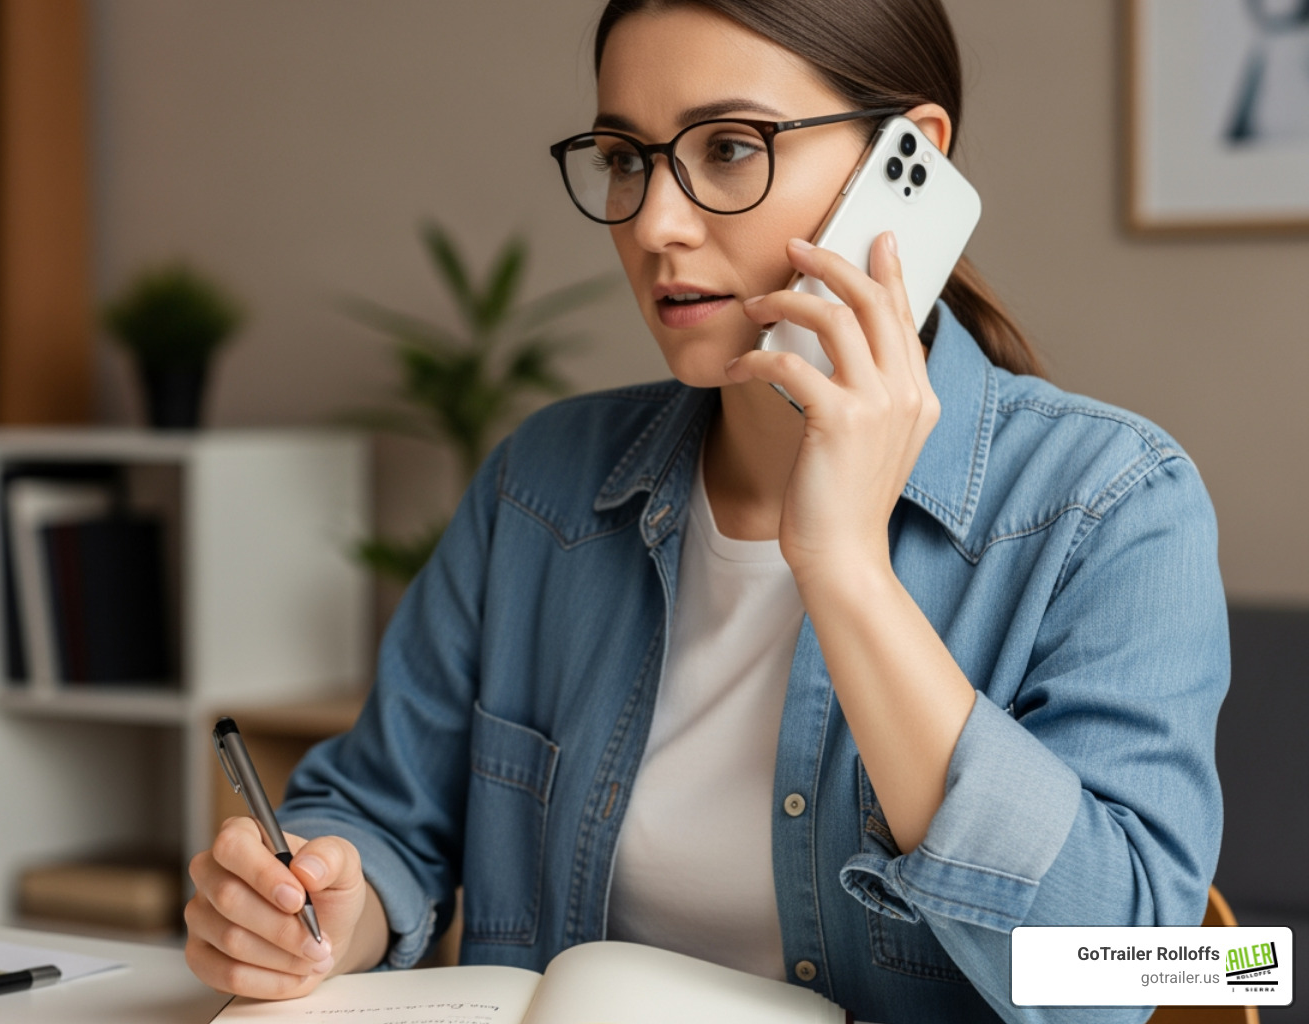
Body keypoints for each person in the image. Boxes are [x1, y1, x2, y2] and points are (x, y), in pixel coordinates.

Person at [183, 2, 1229, 1021]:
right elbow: (377, 817)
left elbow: (1141, 973)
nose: (654, 223)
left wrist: (846, 568)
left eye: (730, 147)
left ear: (908, 160)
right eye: (627, 158)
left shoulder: (1114, 501)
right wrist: (314, 905)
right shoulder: (539, 484)